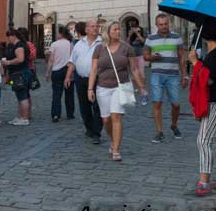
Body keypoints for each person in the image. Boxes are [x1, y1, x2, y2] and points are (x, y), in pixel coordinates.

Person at [89, 22, 146, 161]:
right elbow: (94, 70)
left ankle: (115, 149)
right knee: (106, 120)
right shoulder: (99, 48)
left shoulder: (127, 48)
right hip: (102, 87)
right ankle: (114, 139)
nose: (118, 31)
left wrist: (142, 87)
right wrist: (90, 88)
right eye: (115, 29)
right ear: (108, 32)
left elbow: (134, 70)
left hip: (120, 87)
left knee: (116, 117)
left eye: (119, 29)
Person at [189, 20, 216, 196]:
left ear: (208, 37)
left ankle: (204, 182)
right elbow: (208, 72)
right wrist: (199, 61)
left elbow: (207, 80)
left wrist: (194, 62)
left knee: (204, 140)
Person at [144, 13, 188, 143]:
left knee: (176, 104)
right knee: (157, 102)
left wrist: (185, 75)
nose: (164, 26)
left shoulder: (177, 37)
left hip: (173, 75)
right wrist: (152, 57)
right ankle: (159, 132)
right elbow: (145, 55)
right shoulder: (150, 38)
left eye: (166, 24)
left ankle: (174, 125)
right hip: (157, 74)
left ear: (169, 23)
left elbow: (181, 58)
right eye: (161, 24)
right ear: (156, 25)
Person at [65, 19, 103, 144]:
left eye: (97, 26)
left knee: (98, 106)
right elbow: (72, 62)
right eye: (92, 26)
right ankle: (89, 128)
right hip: (81, 79)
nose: (95, 28)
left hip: (98, 79)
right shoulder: (79, 44)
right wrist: (68, 77)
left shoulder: (102, 43)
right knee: (84, 106)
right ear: (86, 29)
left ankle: (96, 133)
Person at [1, 28, 31, 126]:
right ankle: (20, 116)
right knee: (19, 95)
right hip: (16, 73)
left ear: (14, 36)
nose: (8, 39)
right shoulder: (14, 45)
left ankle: (24, 118)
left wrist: (8, 62)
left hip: (20, 73)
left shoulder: (19, 46)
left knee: (23, 96)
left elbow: (20, 59)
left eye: (9, 36)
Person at [47, 26, 75, 122]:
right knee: (69, 94)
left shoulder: (54, 44)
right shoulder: (70, 43)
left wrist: (48, 72)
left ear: (60, 33)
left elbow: (51, 60)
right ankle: (70, 114)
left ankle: (55, 114)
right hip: (68, 70)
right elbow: (72, 58)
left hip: (57, 71)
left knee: (56, 94)